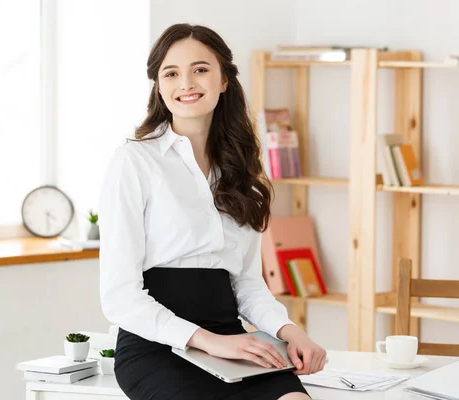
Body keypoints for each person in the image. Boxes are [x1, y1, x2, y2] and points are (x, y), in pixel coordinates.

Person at [98, 23, 326, 400]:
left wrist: (289, 331)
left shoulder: (243, 173)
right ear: (159, 85)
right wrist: (209, 342)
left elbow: (248, 285)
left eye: (200, 69)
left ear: (224, 80)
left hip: (234, 342)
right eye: (171, 73)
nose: (186, 83)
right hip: (158, 348)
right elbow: (119, 296)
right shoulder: (134, 162)